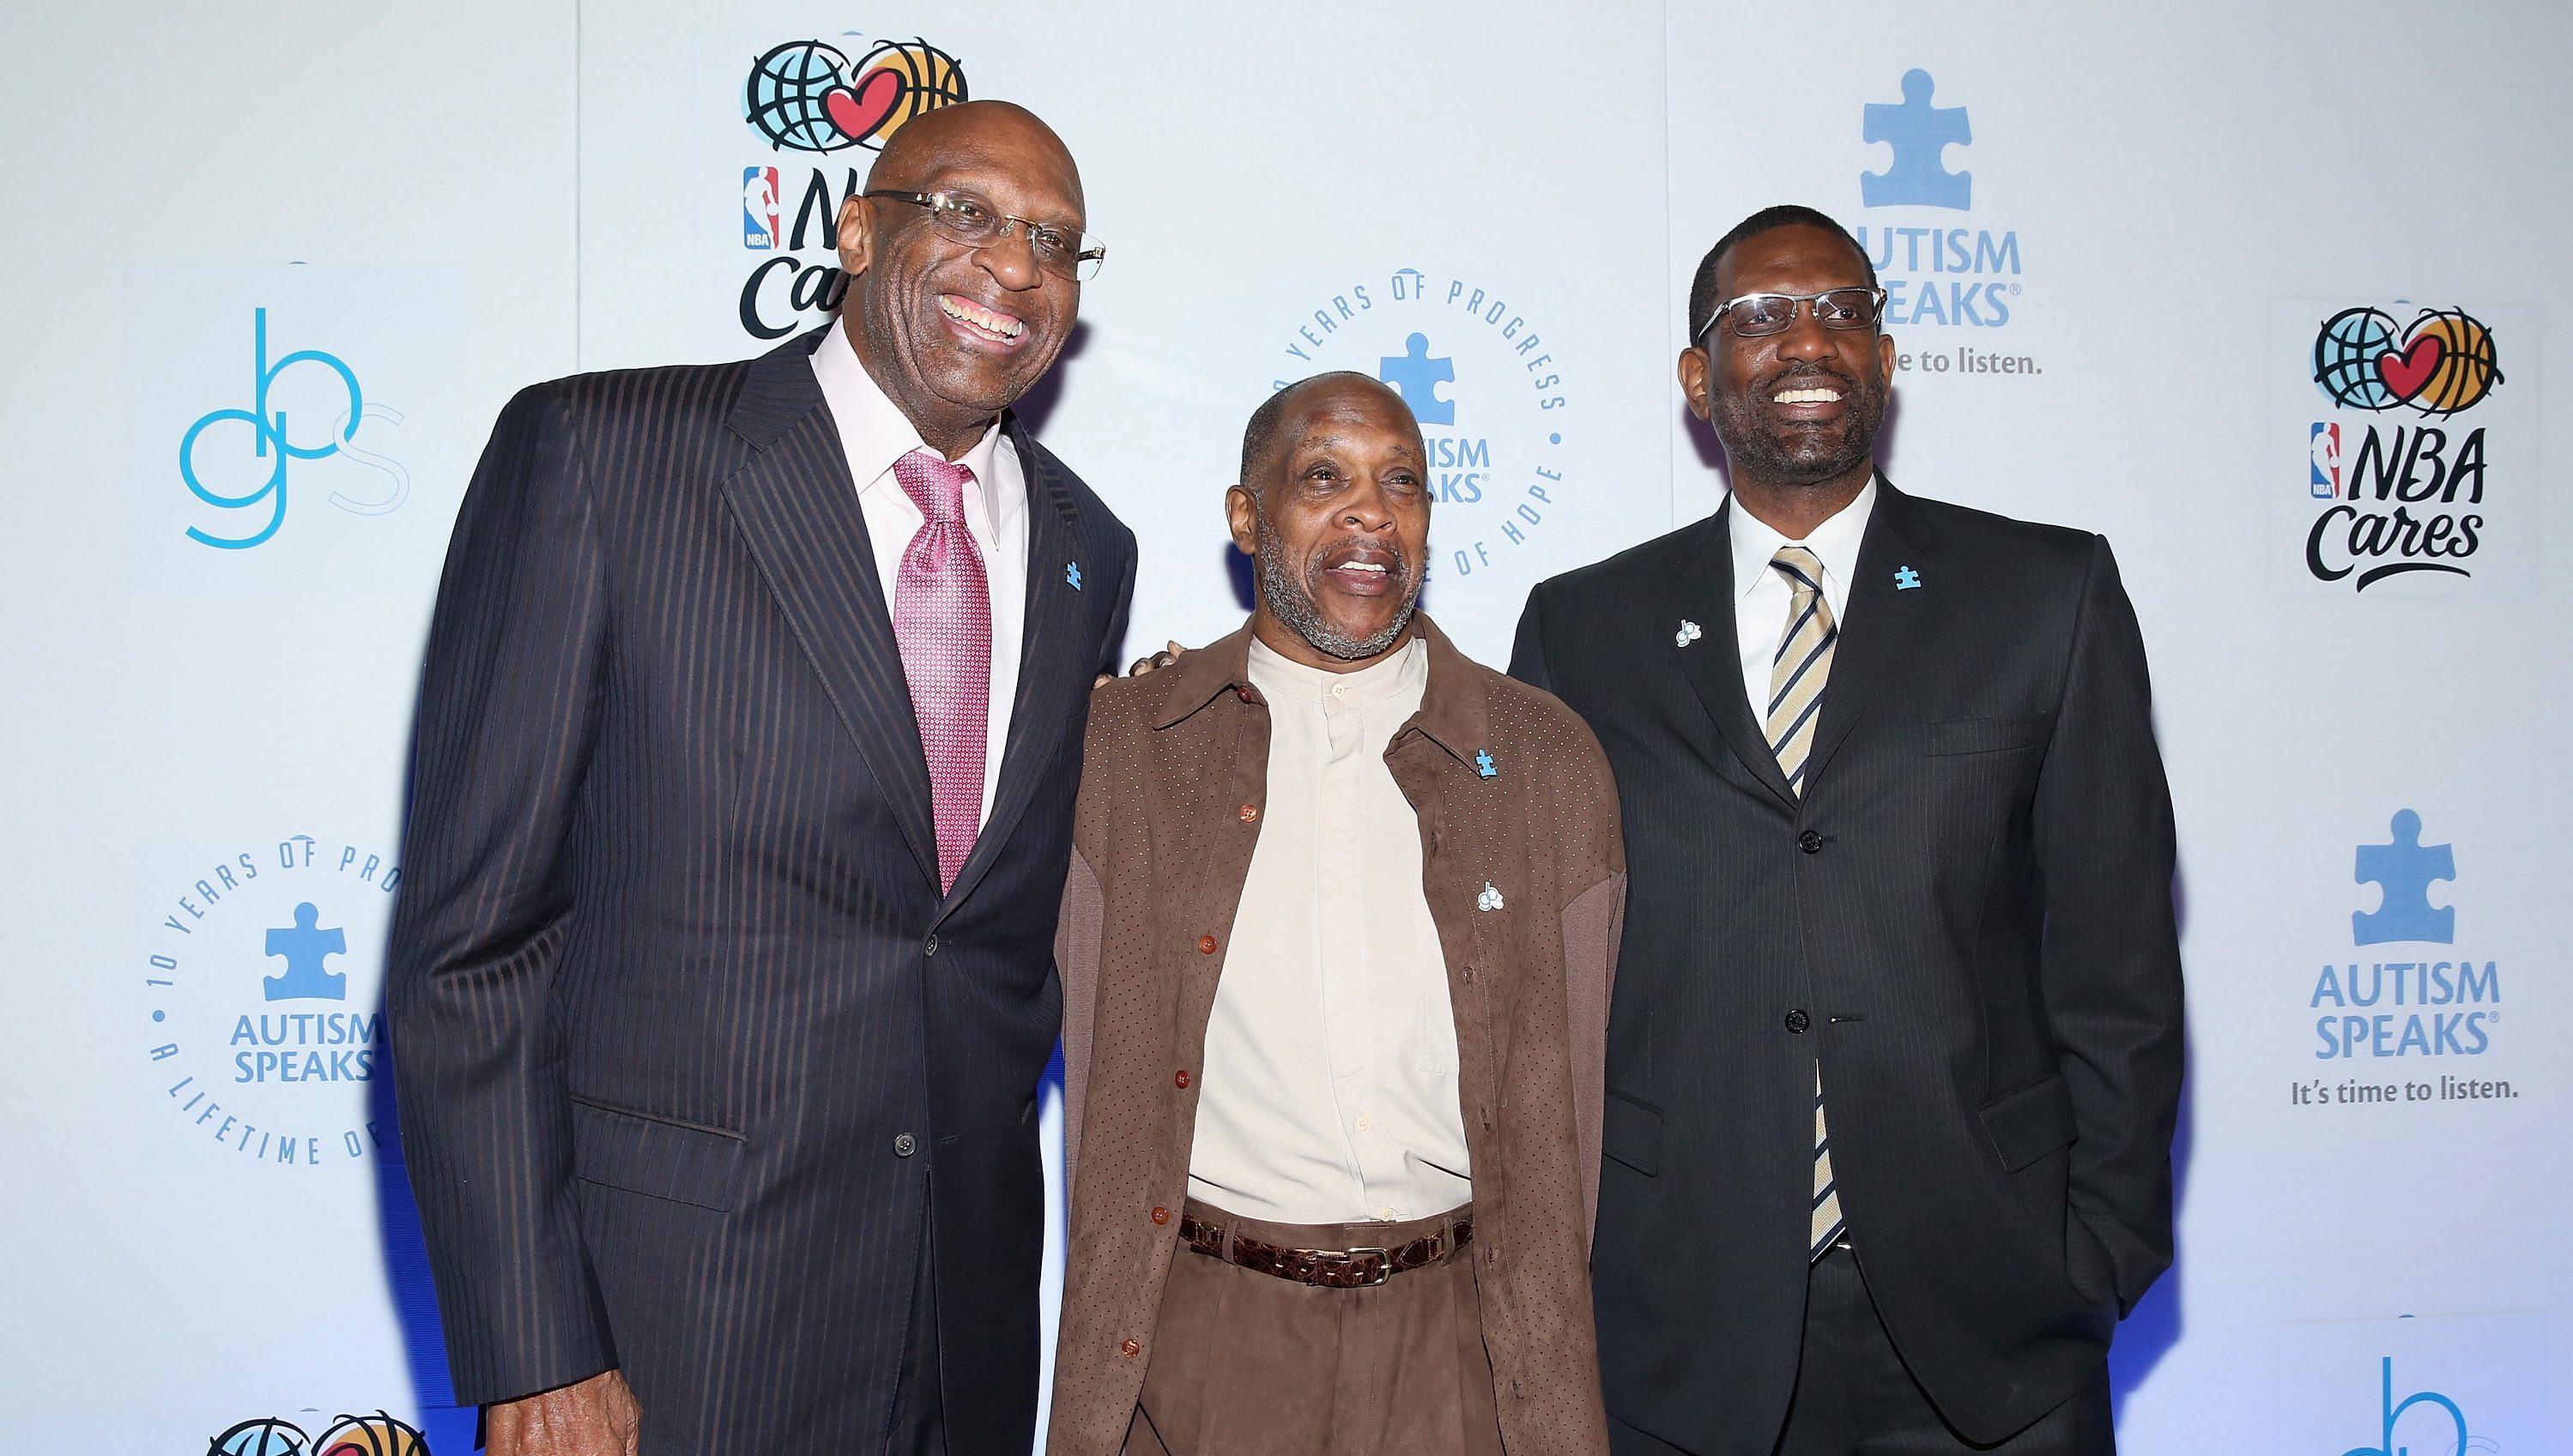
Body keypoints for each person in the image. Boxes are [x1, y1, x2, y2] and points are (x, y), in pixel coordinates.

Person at [386, 100, 1135, 1456]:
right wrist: (538, 1348)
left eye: (1055, 242)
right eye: (964, 212)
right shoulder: (606, 458)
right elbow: (469, 950)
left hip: (961, 1336)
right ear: (855, 229)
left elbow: (981, 935)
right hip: (670, 1319)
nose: (1015, 265)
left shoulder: (1090, 544)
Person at [1511, 205, 2183, 1455]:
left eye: (1843, 309)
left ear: (1884, 356)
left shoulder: (2047, 597)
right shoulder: (1582, 629)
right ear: (1695, 379)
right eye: (1758, 317)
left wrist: (2098, 1256)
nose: (1807, 337)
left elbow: (2120, 967)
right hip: (1684, 1317)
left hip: (1996, 1321)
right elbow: (1540, 991)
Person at [1048, 373, 1625, 1456]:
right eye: (1325, 478)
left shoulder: (1546, 761)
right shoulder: (1127, 749)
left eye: (1401, 482)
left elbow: (1578, 1105)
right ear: (1245, 514)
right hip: (1204, 1336)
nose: (1371, 512)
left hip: (1464, 1342)